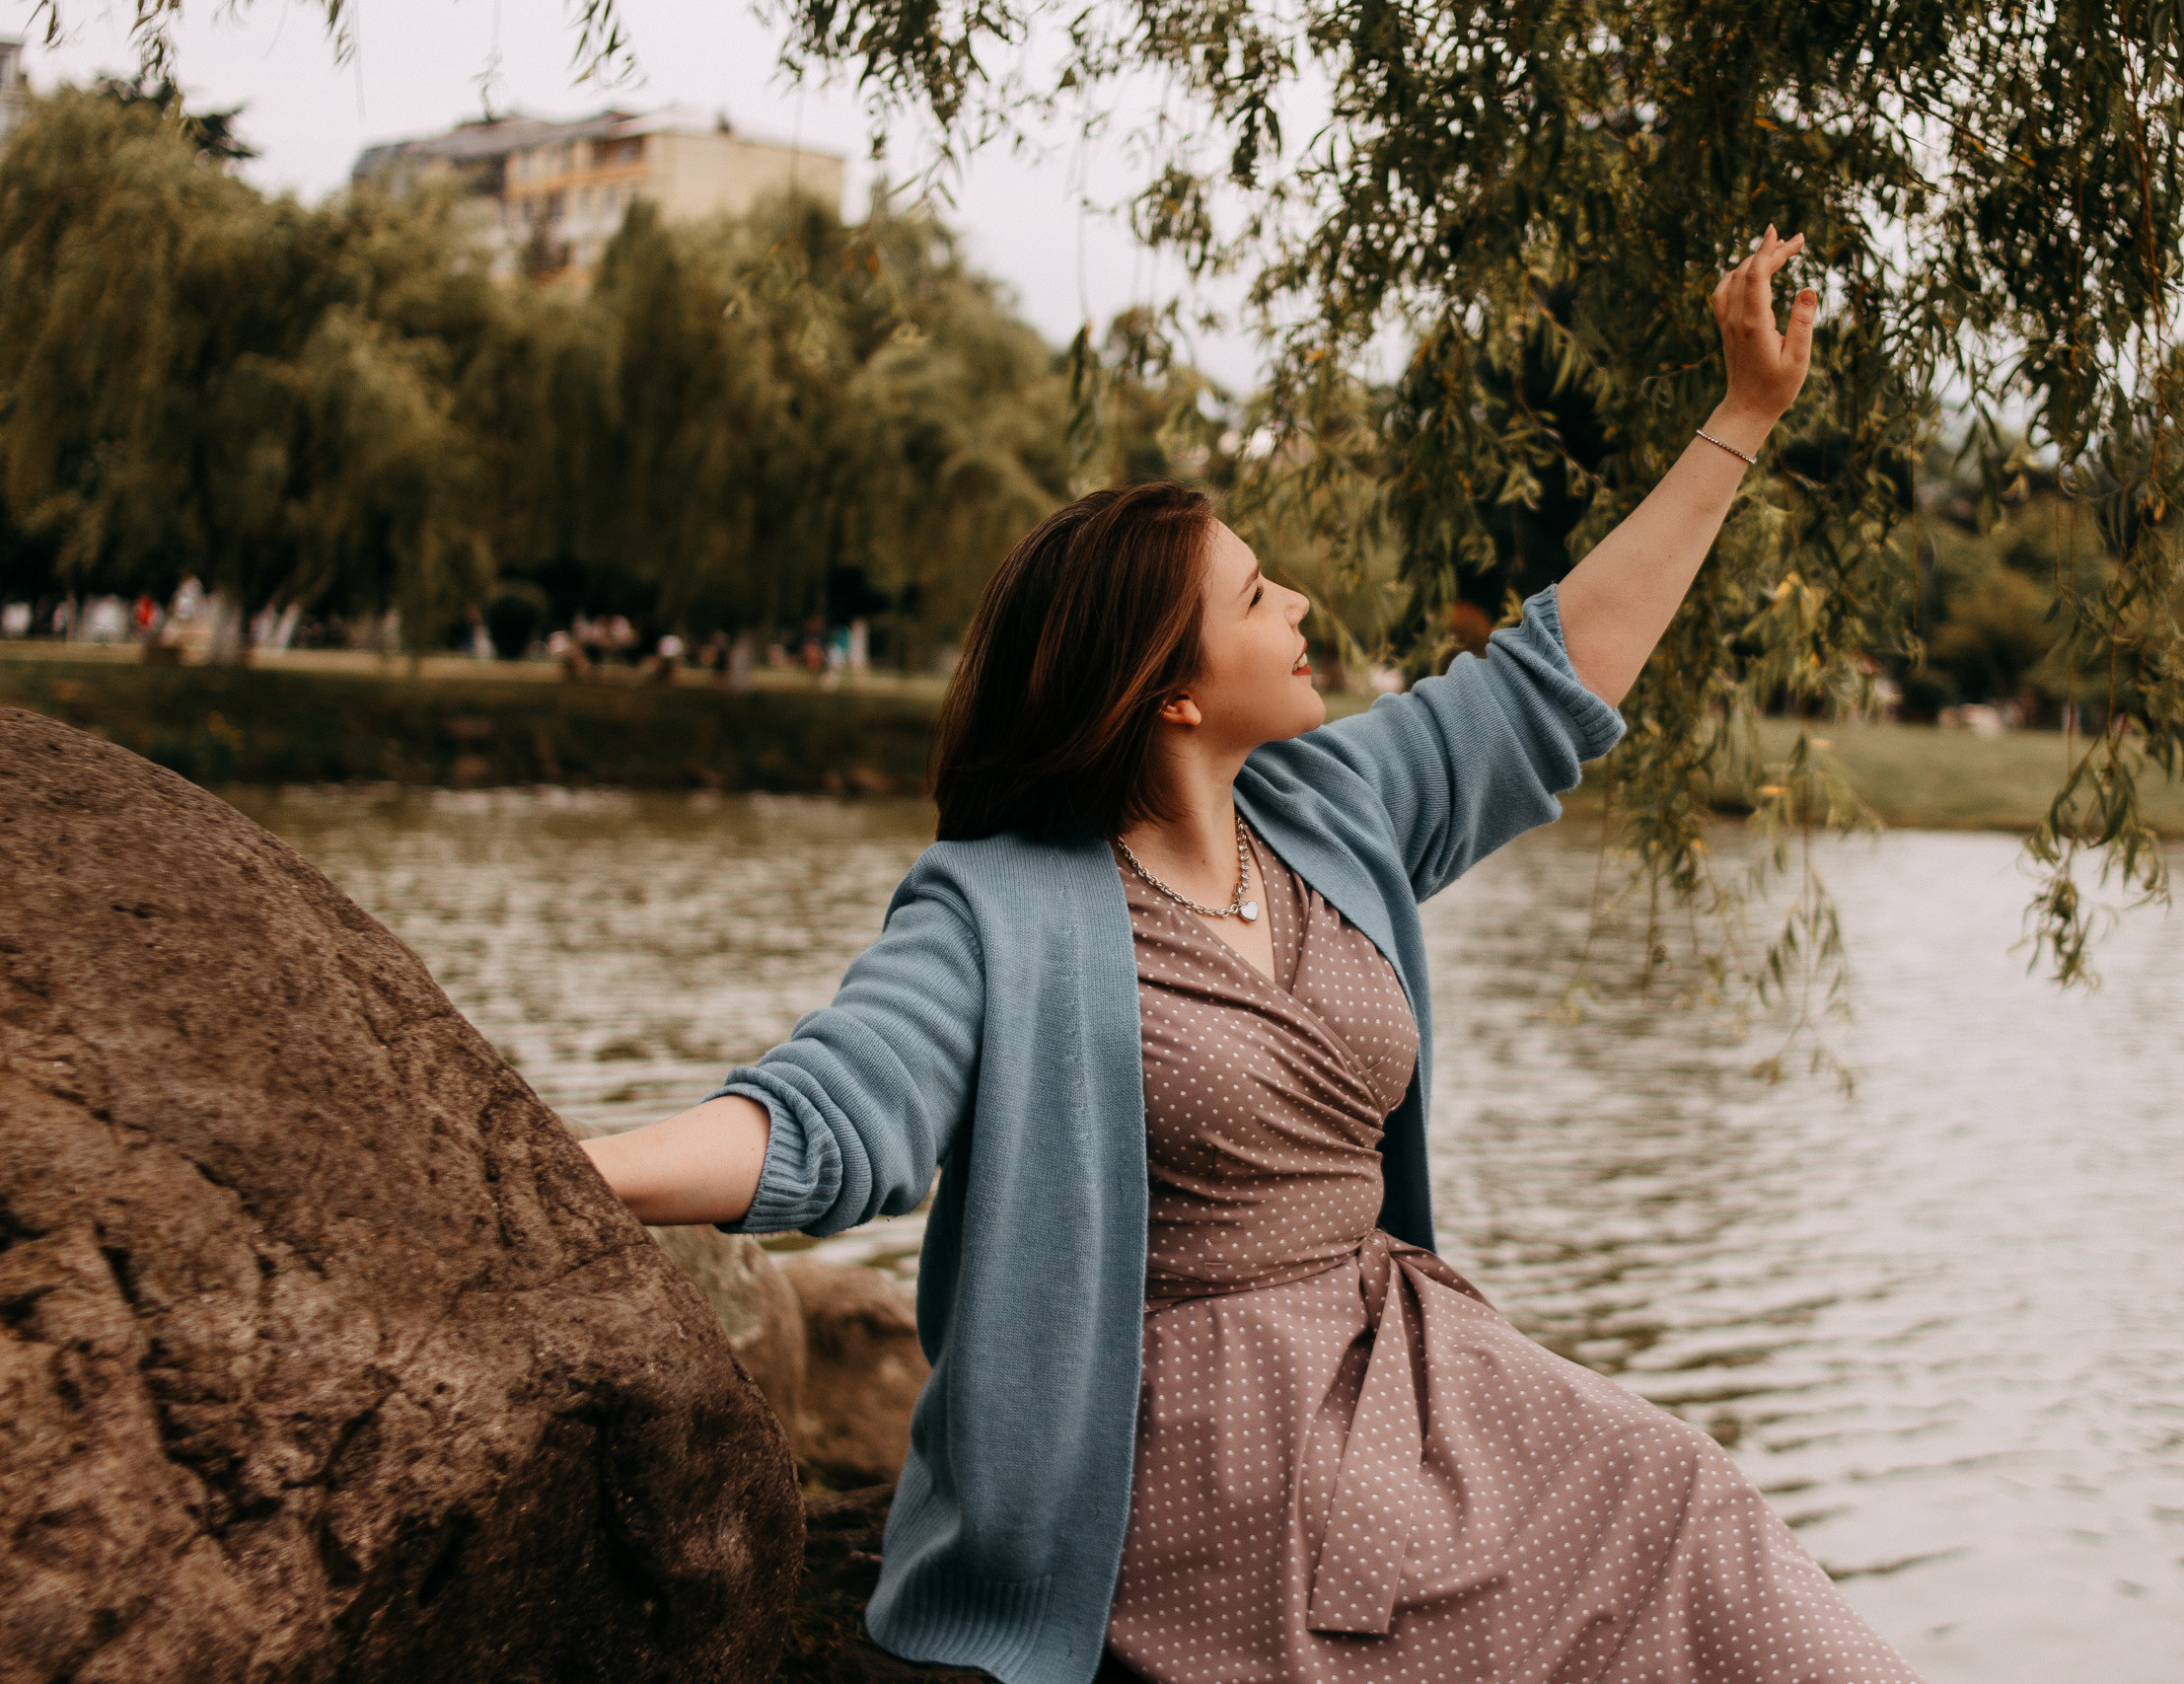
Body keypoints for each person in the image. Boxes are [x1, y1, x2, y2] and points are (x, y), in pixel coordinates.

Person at [582, 228, 1921, 1684]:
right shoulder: (997, 908)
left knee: (1688, 1505)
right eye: (1256, 594)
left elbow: (1551, 681)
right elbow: (834, 1113)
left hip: (1406, 1371)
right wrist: (565, 1171)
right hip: (1182, 1452)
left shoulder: (1326, 814)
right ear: (1165, 693)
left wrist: (1741, 418)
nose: (1295, 610)